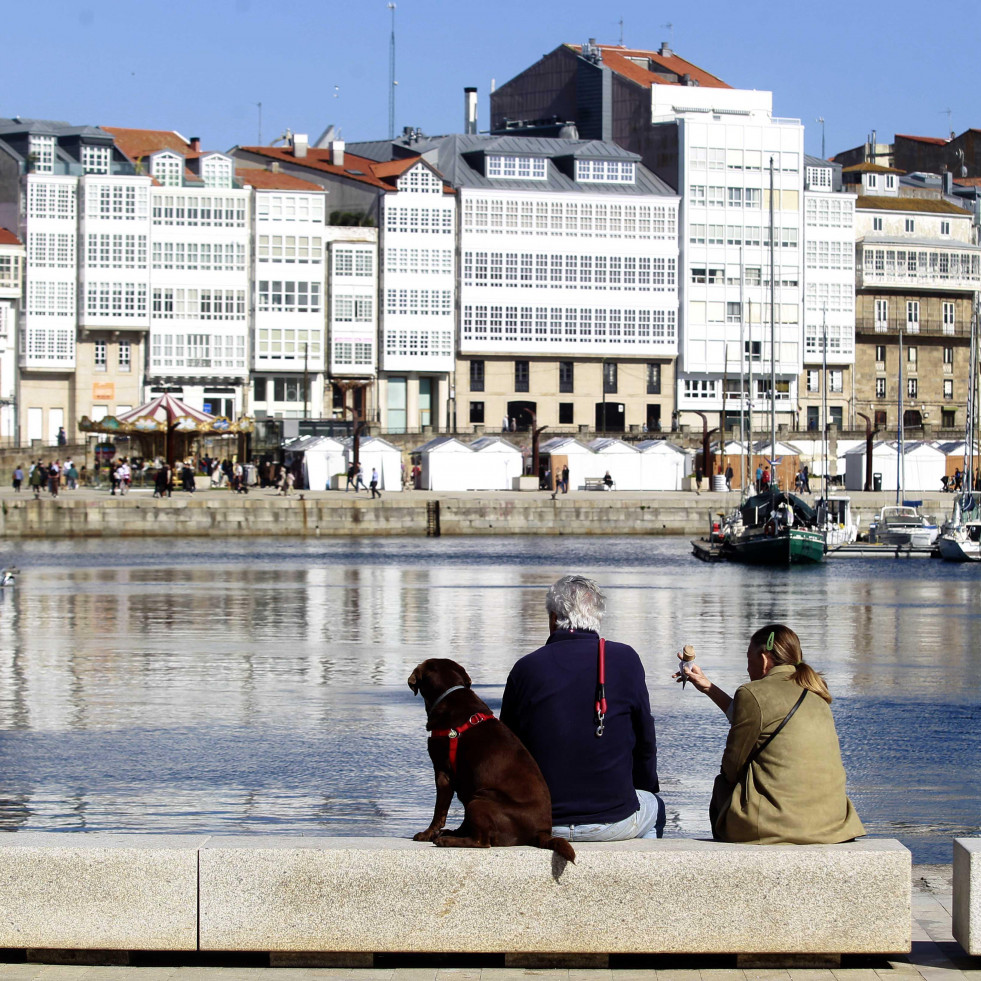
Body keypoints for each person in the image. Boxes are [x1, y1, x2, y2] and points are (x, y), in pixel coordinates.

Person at [500, 575, 664, 842]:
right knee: (654, 805)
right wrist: (641, 788)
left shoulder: (526, 668)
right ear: (597, 617)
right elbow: (645, 741)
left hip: (540, 821)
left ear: (554, 618)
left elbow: (506, 750)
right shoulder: (626, 660)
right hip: (614, 820)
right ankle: (643, 876)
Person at [675, 623, 864, 845]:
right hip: (833, 824)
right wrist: (709, 688)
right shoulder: (816, 692)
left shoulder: (752, 692)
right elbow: (766, 716)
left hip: (774, 825)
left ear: (764, 659)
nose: (747, 668)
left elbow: (732, 767)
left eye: (748, 659)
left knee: (723, 784)